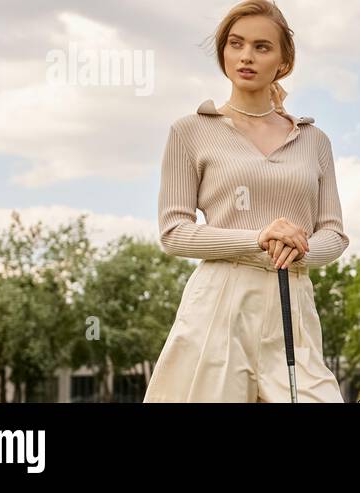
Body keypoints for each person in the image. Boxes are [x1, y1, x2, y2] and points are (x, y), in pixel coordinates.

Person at [144, 0, 348, 403]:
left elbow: (335, 234)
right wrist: (258, 238)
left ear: (283, 61)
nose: (246, 56)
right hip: (219, 304)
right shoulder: (190, 131)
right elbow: (174, 233)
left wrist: (297, 249)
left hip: (293, 304)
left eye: (261, 47)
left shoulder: (314, 140)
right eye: (236, 44)